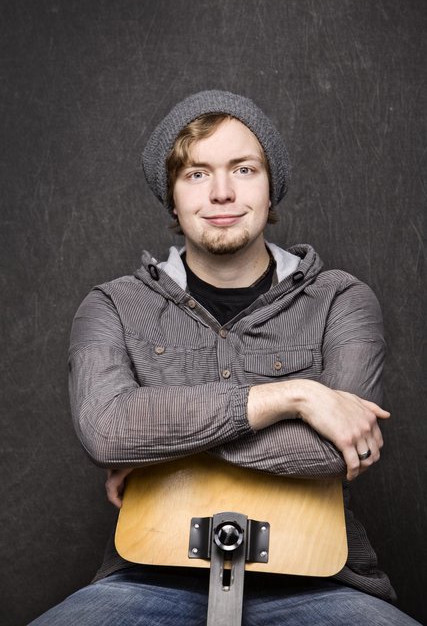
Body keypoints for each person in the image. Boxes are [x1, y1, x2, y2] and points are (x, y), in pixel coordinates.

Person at [29, 90, 420, 625]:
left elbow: (334, 452)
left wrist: (160, 449)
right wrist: (294, 395)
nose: (221, 192)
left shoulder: (341, 299)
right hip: (148, 575)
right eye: (195, 174)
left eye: (243, 169)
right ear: (172, 195)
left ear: (270, 186)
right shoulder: (113, 306)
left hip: (318, 581)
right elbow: (107, 432)